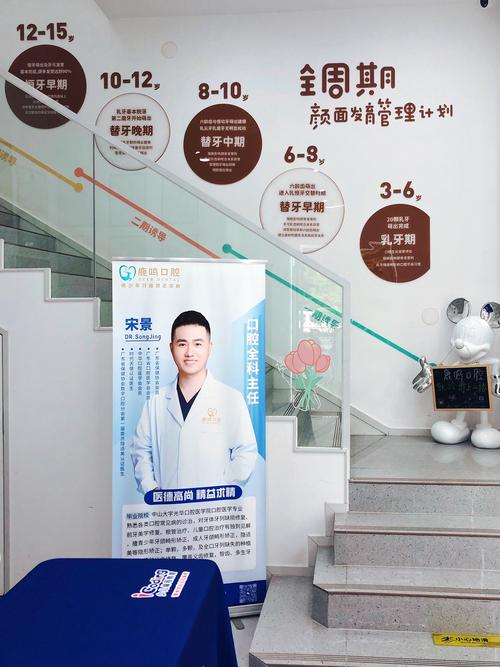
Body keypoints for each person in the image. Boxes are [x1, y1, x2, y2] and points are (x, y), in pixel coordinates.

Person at [131, 310, 258, 494]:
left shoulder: (231, 398)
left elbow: (245, 451)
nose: (190, 352)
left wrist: (222, 489)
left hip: (212, 506)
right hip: (167, 505)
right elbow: (140, 450)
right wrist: (151, 489)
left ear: (209, 347)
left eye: (198, 344)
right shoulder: (155, 402)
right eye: (182, 344)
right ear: (171, 348)